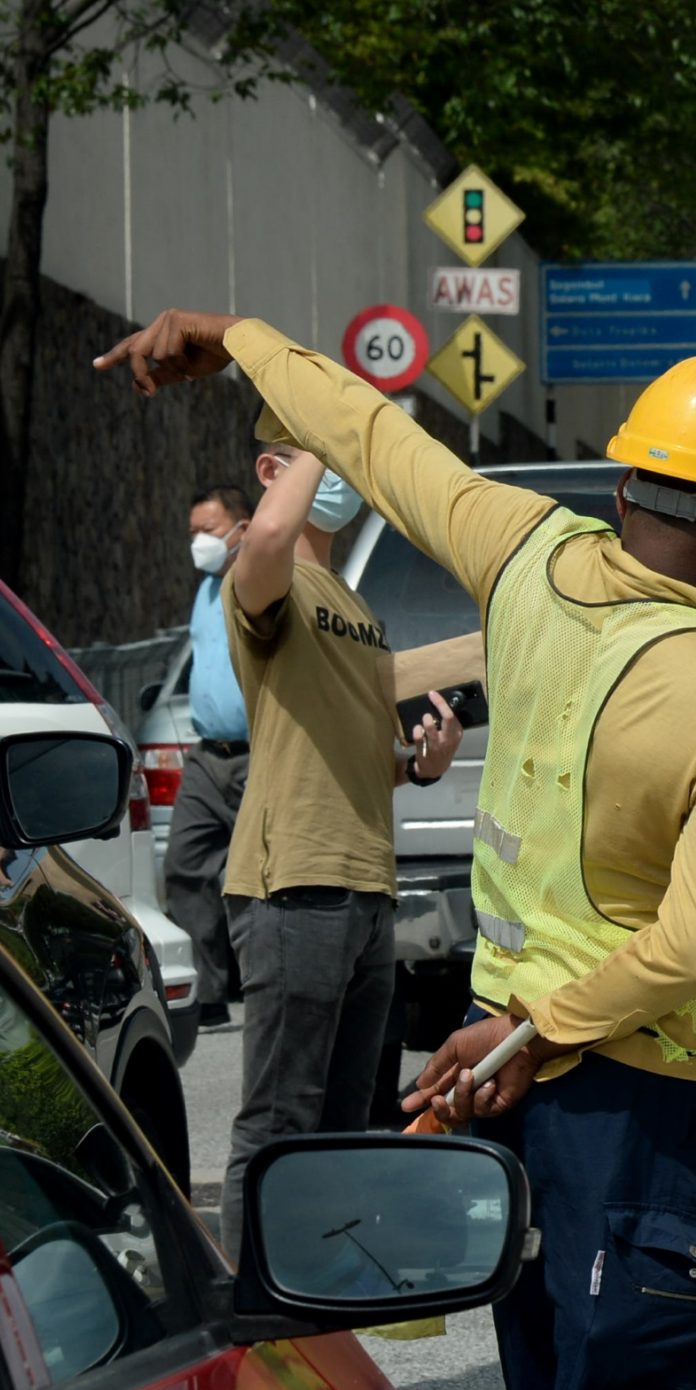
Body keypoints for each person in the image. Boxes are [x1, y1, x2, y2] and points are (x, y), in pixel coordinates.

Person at [96, 310, 696, 1390]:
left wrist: (236, 337)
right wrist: (539, 1032)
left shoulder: (525, 553)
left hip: (503, 1095)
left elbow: (375, 438)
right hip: (636, 1114)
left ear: (625, 487)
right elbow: (689, 947)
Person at [215, 424, 462, 1251]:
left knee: (348, 1123)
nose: (340, 476)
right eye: (318, 457)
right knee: (281, 1121)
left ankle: (324, 1330)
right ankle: (257, 1329)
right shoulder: (263, 568)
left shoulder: (352, 603)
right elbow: (275, 530)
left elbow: (351, 750)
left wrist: (419, 765)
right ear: (272, 469)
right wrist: (321, 423)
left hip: (365, 884)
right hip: (296, 879)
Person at [164, 483, 255, 1029]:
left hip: (258, 754)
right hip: (206, 758)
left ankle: (260, 980)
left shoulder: (260, 581)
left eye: (210, 530)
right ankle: (211, 995)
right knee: (185, 866)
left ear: (242, 529)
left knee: (256, 878)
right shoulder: (204, 590)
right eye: (194, 531)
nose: (199, 542)